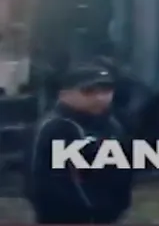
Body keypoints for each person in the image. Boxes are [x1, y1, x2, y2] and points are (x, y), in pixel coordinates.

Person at [24, 64, 133, 224]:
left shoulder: (111, 123)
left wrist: (120, 205)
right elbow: (38, 182)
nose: (100, 97)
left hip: (107, 217)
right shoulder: (56, 127)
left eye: (106, 90)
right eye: (88, 91)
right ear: (64, 95)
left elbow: (122, 169)